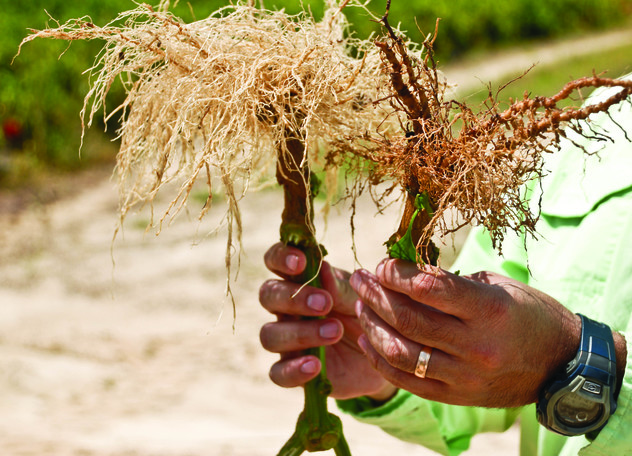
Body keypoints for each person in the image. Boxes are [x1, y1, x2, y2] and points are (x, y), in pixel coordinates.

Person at [258, 75, 632, 455]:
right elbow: (479, 372)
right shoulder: (599, 121)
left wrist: (583, 361)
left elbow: (525, 355)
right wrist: (390, 361)